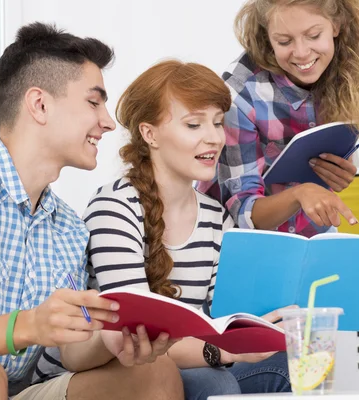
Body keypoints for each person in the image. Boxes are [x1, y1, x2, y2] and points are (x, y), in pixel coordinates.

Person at [0, 22, 183, 400]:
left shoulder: (68, 228)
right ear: (40, 104)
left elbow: (71, 352)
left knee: (154, 373)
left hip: (16, 391)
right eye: (94, 102)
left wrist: (115, 337)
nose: (109, 122)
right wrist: (27, 325)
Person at [46, 59, 291, 400]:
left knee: (286, 368)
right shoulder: (115, 208)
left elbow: (221, 321)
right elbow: (133, 335)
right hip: (110, 370)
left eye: (218, 123)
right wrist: (225, 351)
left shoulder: (217, 218)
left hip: (187, 360)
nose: (214, 138)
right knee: (215, 384)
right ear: (150, 134)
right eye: (194, 125)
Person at [197, 0, 359, 237]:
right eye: (284, 41)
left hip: (311, 234)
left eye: (313, 35)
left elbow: (334, 164)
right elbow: (242, 212)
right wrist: (299, 194)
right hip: (240, 244)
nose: (302, 52)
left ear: (336, 25)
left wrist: (338, 172)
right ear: (268, 37)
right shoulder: (240, 95)